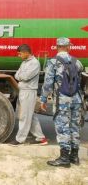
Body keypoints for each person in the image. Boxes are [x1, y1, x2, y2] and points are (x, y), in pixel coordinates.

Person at [40, 37, 84, 167]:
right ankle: (74, 157)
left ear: (57, 46)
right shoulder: (77, 62)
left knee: (62, 127)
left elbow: (48, 83)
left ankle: (64, 159)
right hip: (76, 99)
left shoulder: (53, 62)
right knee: (74, 127)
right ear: (68, 47)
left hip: (62, 100)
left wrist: (43, 99)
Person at [10, 44, 48, 146]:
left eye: (20, 53)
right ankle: (41, 138)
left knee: (24, 116)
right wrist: (20, 76)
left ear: (27, 52)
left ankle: (20, 140)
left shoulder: (34, 63)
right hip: (23, 91)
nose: (19, 55)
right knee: (30, 116)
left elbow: (25, 76)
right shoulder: (24, 63)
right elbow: (16, 75)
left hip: (29, 92)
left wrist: (20, 76)